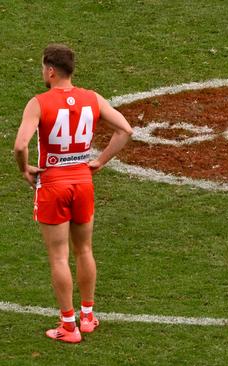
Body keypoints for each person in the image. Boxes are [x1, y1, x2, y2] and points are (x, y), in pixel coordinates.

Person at [14, 44, 133, 343]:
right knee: (85, 251)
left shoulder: (39, 103)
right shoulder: (92, 98)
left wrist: (24, 169)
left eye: (43, 68)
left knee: (58, 257)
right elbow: (125, 130)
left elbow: (19, 146)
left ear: (51, 71)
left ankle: (68, 326)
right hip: (82, 181)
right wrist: (100, 160)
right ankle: (88, 316)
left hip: (53, 183)